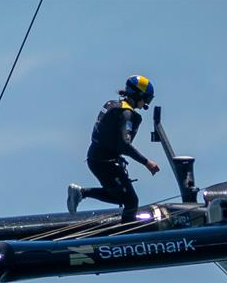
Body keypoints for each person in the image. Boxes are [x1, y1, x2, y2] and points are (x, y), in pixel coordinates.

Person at [68, 75, 160, 220]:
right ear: (138, 95)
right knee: (131, 201)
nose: (146, 103)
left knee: (121, 197)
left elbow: (111, 138)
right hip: (105, 164)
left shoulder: (113, 105)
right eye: (146, 98)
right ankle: (129, 237)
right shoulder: (127, 113)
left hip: (97, 159)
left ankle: (81, 193)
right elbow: (124, 144)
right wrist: (146, 162)